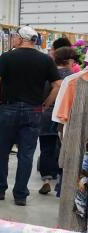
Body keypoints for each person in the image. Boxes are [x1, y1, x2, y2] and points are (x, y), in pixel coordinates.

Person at [0, 26, 62, 206]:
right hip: (34, 110)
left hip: (9, 108)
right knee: (26, 154)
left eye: (14, 37)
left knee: (2, 152)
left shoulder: (6, 57)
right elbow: (58, 85)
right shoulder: (46, 60)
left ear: (21, 39)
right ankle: (20, 194)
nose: (13, 39)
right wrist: (45, 104)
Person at [38, 46, 78, 195]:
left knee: (46, 149)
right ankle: (61, 182)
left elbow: (41, 94)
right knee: (65, 149)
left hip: (47, 114)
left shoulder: (48, 76)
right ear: (69, 60)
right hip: (67, 116)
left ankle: (47, 180)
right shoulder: (75, 77)